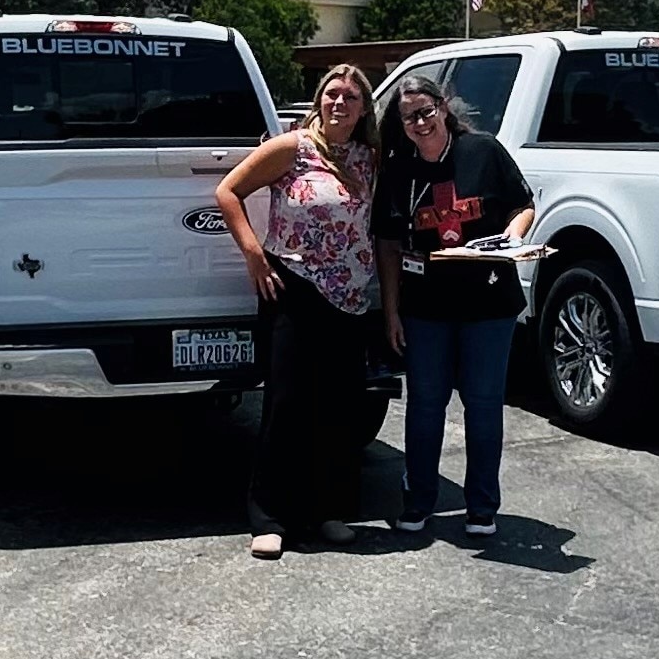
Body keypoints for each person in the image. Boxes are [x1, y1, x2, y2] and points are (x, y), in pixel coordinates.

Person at [215, 67, 378, 560]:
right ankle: (269, 518)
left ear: (364, 108)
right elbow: (229, 192)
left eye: (350, 97)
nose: (339, 103)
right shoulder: (293, 148)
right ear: (318, 99)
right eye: (332, 94)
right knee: (286, 406)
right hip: (295, 290)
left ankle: (326, 510)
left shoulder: (368, 159)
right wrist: (253, 253)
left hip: (350, 300)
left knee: (338, 409)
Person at [376, 74, 535, 540]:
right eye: (410, 117)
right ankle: (419, 500)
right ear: (400, 123)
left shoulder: (482, 151)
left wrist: (514, 237)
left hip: (489, 301)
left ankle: (482, 506)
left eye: (427, 111)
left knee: (483, 404)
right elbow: (387, 242)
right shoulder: (398, 168)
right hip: (425, 307)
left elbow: (522, 205)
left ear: (443, 107)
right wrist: (390, 311)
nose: (421, 122)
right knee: (425, 404)